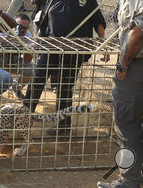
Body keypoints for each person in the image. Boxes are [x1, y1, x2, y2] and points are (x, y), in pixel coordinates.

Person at [24, 0, 107, 135]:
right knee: (37, 80)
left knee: (65, 86)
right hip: (51, 46)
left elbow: (98, 22)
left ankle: (63, 126)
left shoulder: (87, 1)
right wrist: (36, 42)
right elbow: (44, 21)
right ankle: (23, 118)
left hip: (74, 50)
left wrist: (104, 46)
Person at [97, 0, 143, 187]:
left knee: (126, 123)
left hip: (136, 67)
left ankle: (129, 180)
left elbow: (139, 31)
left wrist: (123, 65)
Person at [0, 13, 34, 99]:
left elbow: (28, 60)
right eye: (18, 26)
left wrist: (26, 48)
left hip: (14, 62)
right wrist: (7, 46)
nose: (20, 30)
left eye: (24, 28)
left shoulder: (27, 36)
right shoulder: (1, 34)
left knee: (32, 69)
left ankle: (15, 88)